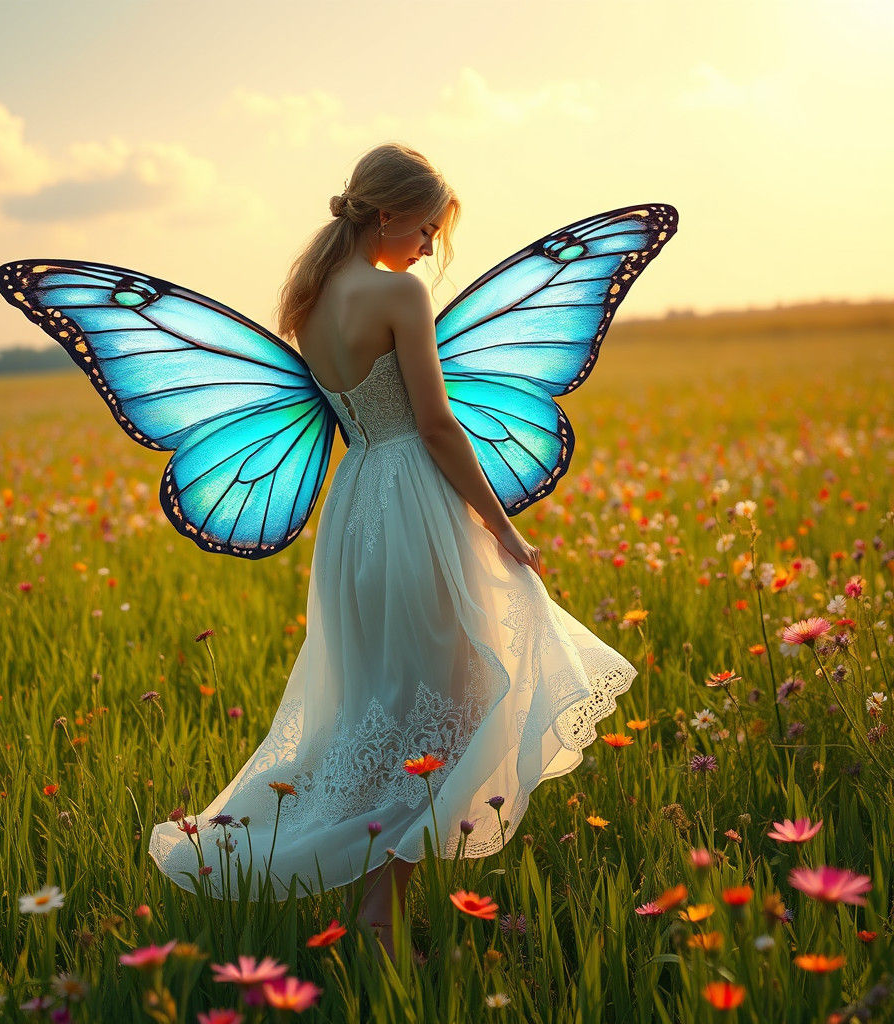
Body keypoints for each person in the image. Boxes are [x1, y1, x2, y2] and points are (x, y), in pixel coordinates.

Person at [148, 143, 638, 962]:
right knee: (456, 700)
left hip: (357, 505)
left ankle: (365, 897)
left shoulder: (309, 300)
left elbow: (358, 416)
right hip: (414, 497)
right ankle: (378, 910)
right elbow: (439, 425)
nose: (428, 250)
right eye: (425, 229)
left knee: (382, 706)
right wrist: (502, 524)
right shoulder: (398, 293)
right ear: (386, 214)